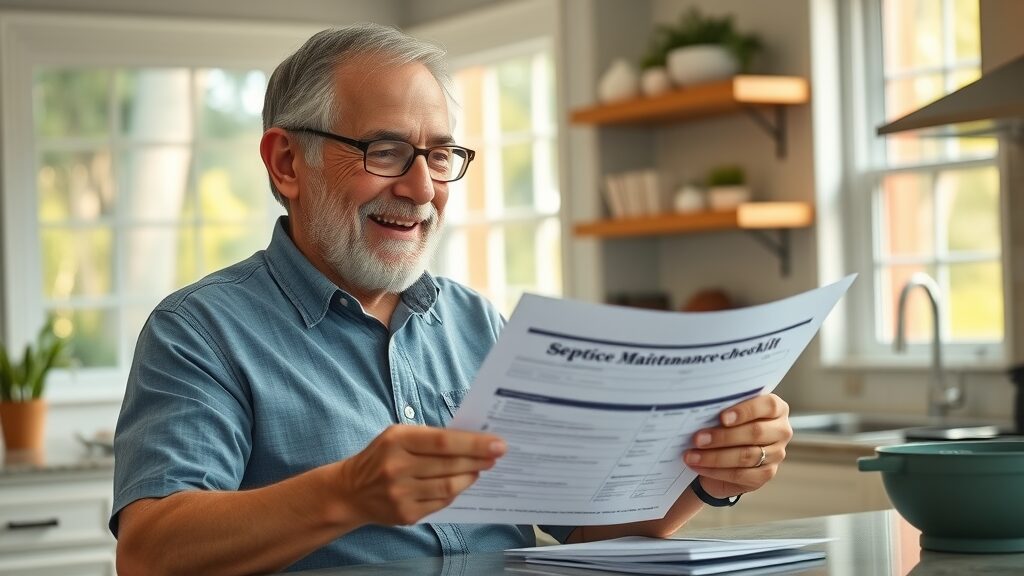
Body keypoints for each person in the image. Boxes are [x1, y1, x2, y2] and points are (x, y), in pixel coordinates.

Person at [110, 22, 794, 575]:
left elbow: (583, 524)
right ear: (288, 163)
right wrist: (345, 494)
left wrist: (708, 473)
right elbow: (149, 554)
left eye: (439, 156)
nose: (420, 188)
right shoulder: (198, 331)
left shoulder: (475, 322)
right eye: (384, 150)